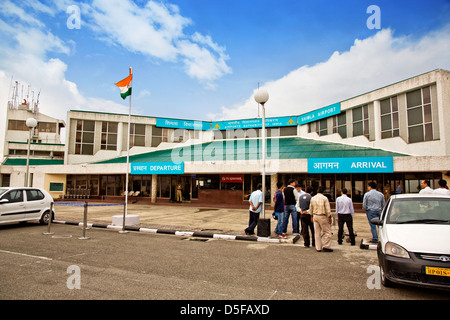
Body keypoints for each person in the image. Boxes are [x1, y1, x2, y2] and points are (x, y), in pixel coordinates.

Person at [310, 186, 333, 252]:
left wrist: (311, 216)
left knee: (317, 232)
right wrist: (329, 217)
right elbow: (327, 209)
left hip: (315, 215)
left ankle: (318, 247)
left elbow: (310, 208)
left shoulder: (313, 198)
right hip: (322, 216)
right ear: (323, 191)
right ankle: (326, 246)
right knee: (327, 232)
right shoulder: (324, 198)